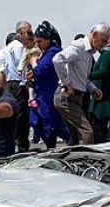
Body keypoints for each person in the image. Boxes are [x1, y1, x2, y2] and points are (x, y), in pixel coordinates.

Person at [52, 23, 109, 145]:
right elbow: (57, 59)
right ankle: (88, 161)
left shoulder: (88, 53)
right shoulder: (80, 47)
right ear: (94, 35)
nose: (104, 45)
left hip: (76, 97)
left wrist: (93, 89)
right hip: (67, 98)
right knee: (87, 133)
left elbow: (82, 78)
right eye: (103, 41)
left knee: (75, 137)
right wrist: (66, 83)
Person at [28, 21, 69, 149]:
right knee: (37, 121)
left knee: (50, 123)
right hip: (41, 94)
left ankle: (55, 146)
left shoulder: (53, 52)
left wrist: (34, 62)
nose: (37, 45)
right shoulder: (46, 53)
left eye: (40, 41)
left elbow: (41, 70)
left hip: (48, 95)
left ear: (48, 39)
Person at [3, 21, 33, 152]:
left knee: (11, 115)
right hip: (18, 84)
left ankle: (12, 142)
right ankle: (22, 145)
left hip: (9, 84)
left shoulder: (6, 49)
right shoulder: (19, 47)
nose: (31, 35)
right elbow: (23, 65)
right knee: (21, 116)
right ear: (20, 33)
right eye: (29, 32)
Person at [89, 35, 110, 143]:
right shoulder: (105, 55)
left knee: (101, 127)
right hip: (101, 95)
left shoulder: (108, 55)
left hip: (104, 96)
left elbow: (103, 72)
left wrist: (85, 76)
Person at [18, 30, 42, 109]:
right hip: (31, 67)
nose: (26, 45)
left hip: (39, 65)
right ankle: (31, 98)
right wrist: (20, 69)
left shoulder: (38, 47)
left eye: (27, 43)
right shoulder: (26, 50)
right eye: (24, 44)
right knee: (30, 82)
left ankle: (34, 97)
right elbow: (23, 60)